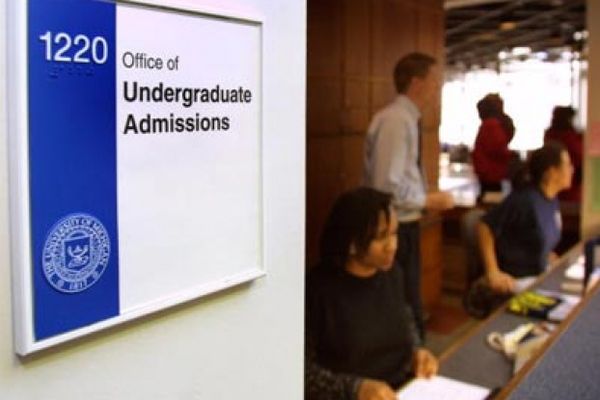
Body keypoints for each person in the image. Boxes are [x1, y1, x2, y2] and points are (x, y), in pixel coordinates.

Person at [305, 187, 438, 400]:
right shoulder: (317, 290)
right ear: (352, 244)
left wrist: (417, 352)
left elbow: (406, 319)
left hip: (403, 390)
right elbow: (302, 372)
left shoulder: (393, 274)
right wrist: (355, 388)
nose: (392, 246)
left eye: (394, 233)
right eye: (381, 237)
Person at [363, 52, 453, 340]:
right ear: (417, 83)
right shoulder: (396, 121)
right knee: (401, 302)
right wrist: (427, 200)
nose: (438, 89)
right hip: (394, 230)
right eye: (435, 82)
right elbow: (384, 186)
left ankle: (414, 359)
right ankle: (410, 367)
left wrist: (426, 196)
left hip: (405, 225)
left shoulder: (405, 119)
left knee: (407, 300)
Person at [477, 142, 574, 294]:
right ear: (551, 172)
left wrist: (546, 254)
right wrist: (492, 271)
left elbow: (533, 235)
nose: (571, 170)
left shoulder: (551, 199)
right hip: (517, 281)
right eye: (567, 165)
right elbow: (485, 226)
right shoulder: (525, 200)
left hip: (539, 276)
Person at [472, 93, 515, 199]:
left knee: (490, 200)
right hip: (493, 172)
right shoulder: (494, 124)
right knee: (492, 199)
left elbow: (496, 147)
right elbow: (498, 147)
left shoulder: (490, 125)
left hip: (489, 172)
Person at [544, 106, 583, 202]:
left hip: (554, 188)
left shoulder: (550, 135)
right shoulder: (569, 138)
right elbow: (580, 156)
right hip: (570, 189)